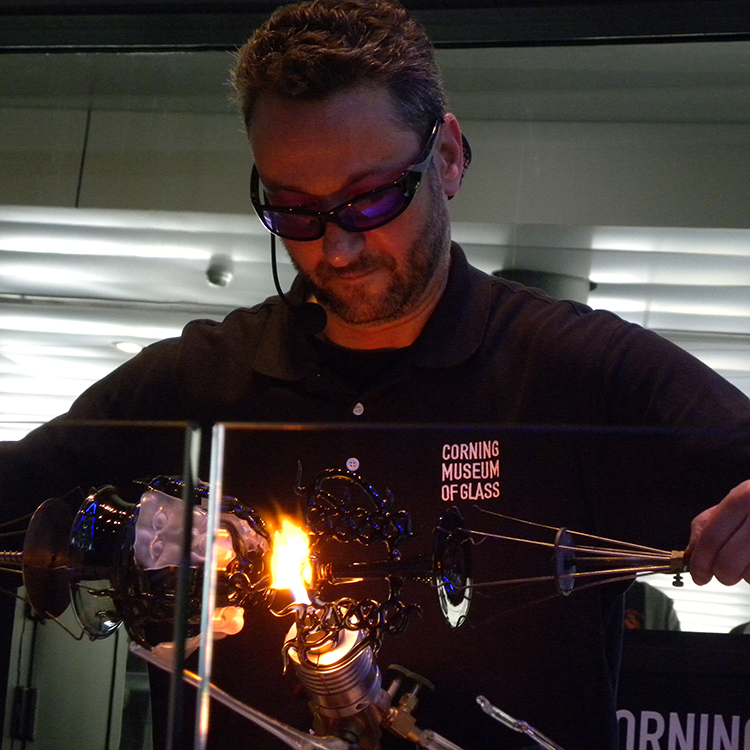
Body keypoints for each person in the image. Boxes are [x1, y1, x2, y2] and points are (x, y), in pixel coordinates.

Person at [2, 1, 750, 748]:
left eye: (372, 199)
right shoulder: (195, 382)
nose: (338, 248)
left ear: (447, 157)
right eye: (296, 212)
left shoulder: (576, 372)